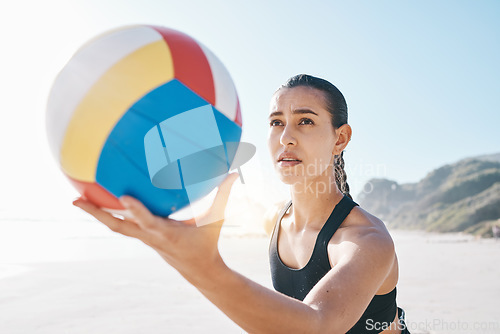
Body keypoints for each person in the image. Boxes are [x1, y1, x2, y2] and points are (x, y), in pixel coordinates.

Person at [73, 74, 409, 333]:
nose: (285, 137)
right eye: (276, 122)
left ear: (340, 138)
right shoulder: (275, 219)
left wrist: (201, 265)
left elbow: (318, 325)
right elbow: (236, 204)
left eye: (305, 121)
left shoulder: (366, 242)